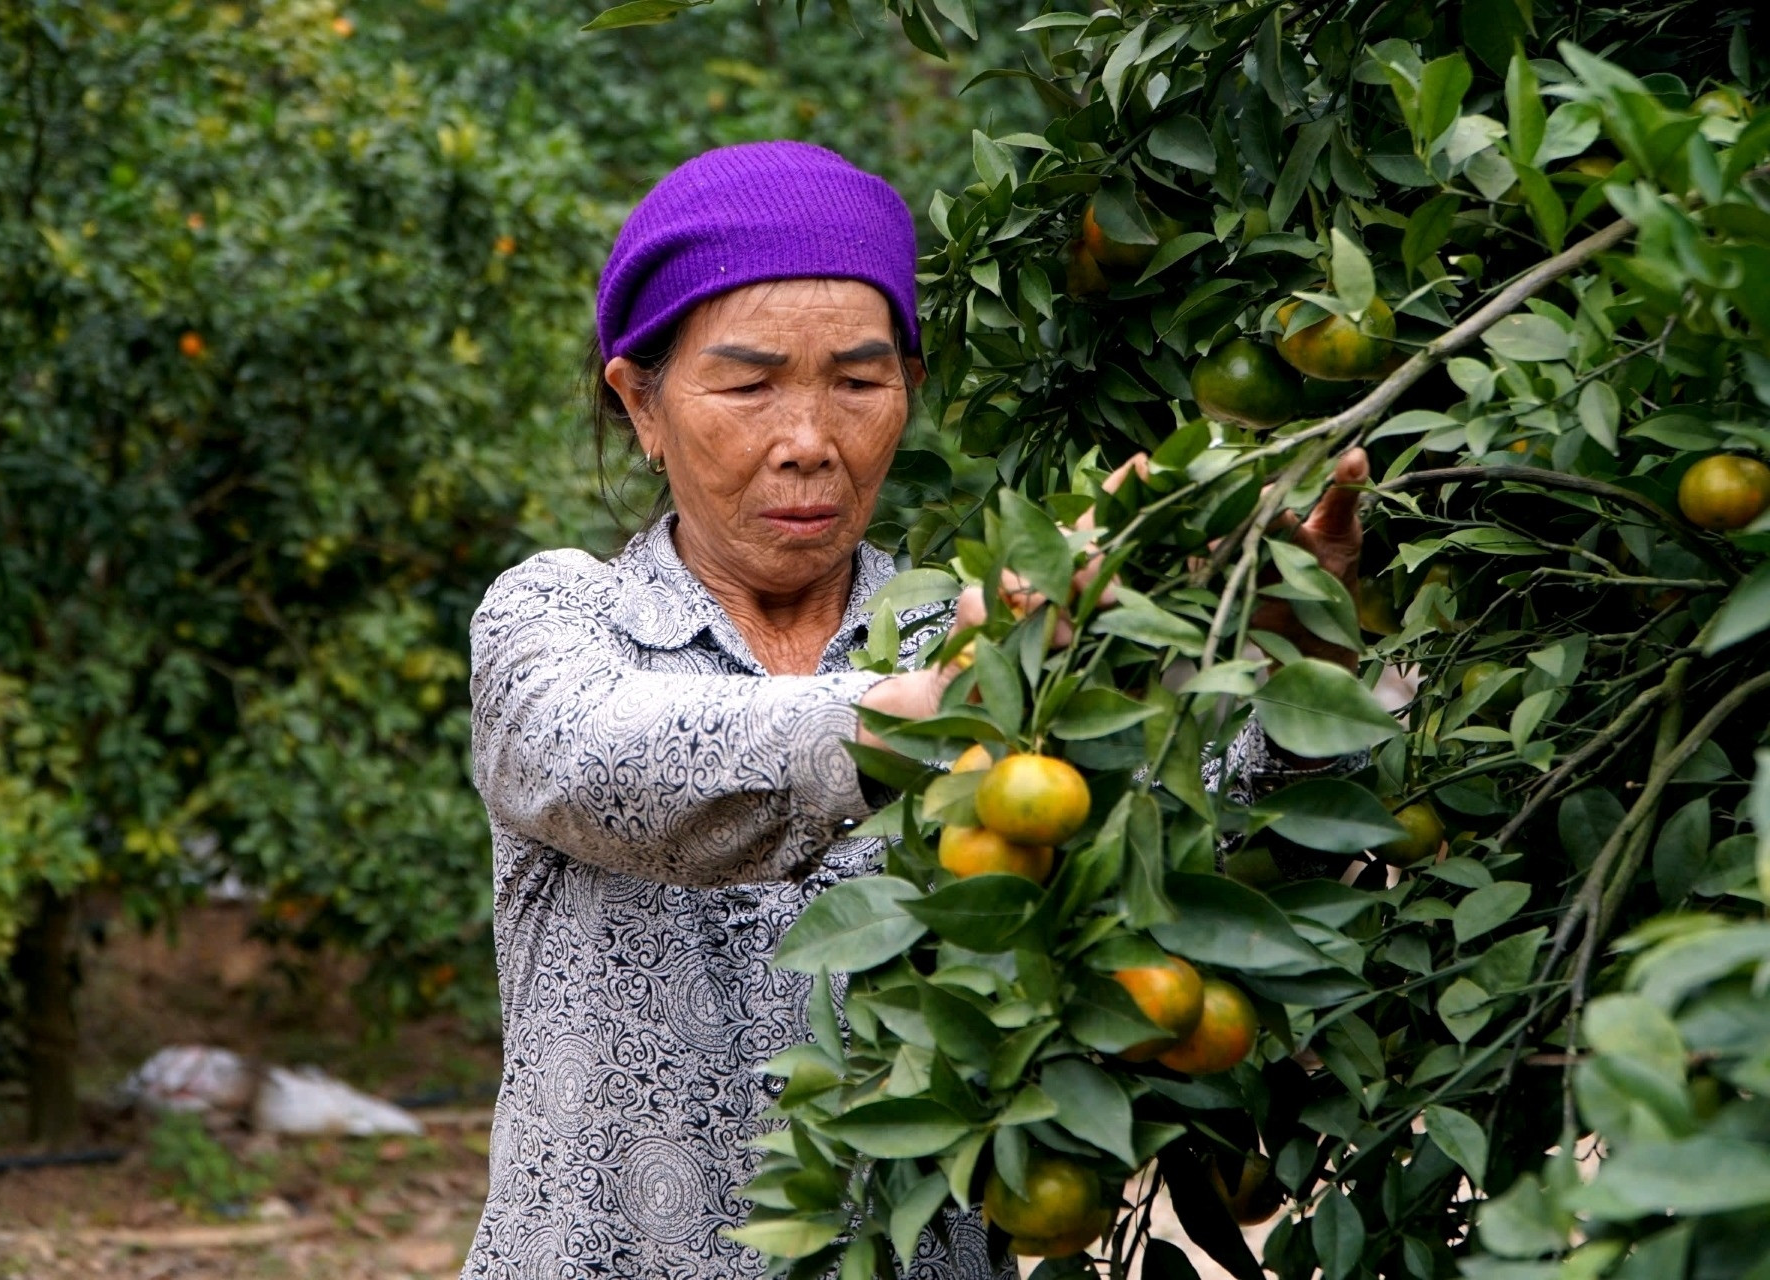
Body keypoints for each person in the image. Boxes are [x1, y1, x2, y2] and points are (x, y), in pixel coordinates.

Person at [460, 141, 1366, 1279]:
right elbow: (601, 761)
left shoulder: (973, 639)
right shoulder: (556, 620)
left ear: (909, 392)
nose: (809, 440)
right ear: (640, 402)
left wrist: (1303, 647)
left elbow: (1201, 854)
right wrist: (934, 710)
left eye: (857, 380)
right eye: (747, 384)